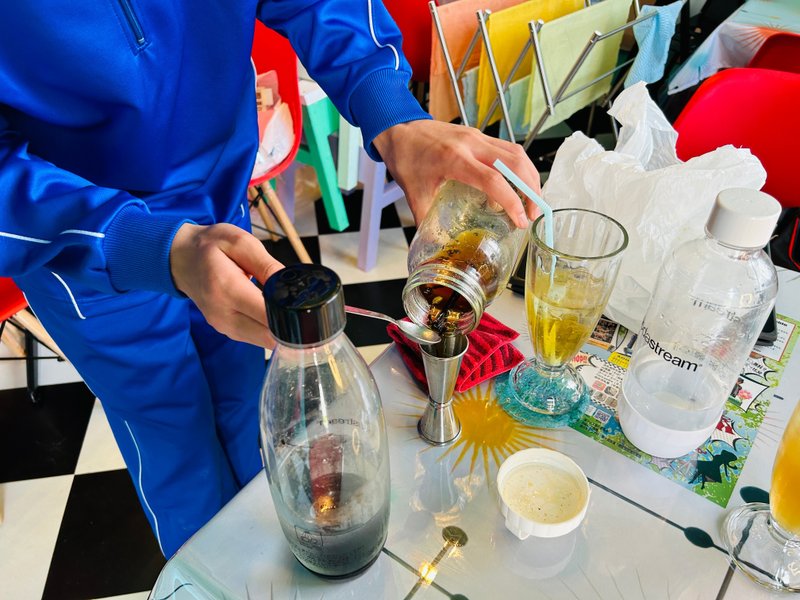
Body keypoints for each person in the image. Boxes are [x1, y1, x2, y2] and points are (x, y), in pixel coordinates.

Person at [0, 2, 541, 557]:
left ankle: (270, 558)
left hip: (222, 204)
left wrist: (394, 113)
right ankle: (211, 578)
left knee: (247, 402)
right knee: (174, 442)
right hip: (89, 251)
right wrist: (137, 245)